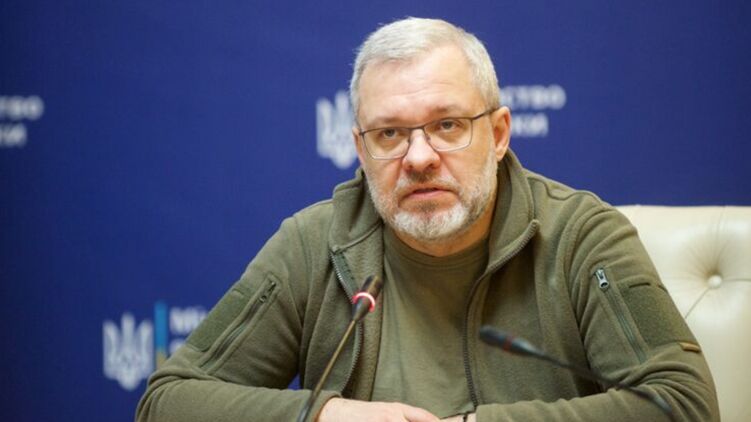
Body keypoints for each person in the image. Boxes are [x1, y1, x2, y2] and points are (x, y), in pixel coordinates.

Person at [136, 17, 719, 422]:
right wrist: (326, 413)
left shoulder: (581, 236)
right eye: (390, 133)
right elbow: (167, 403)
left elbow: (683, 404)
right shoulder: (315, 244)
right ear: (361, 150)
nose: (418, 158)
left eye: (446, 125)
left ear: (498, 134)